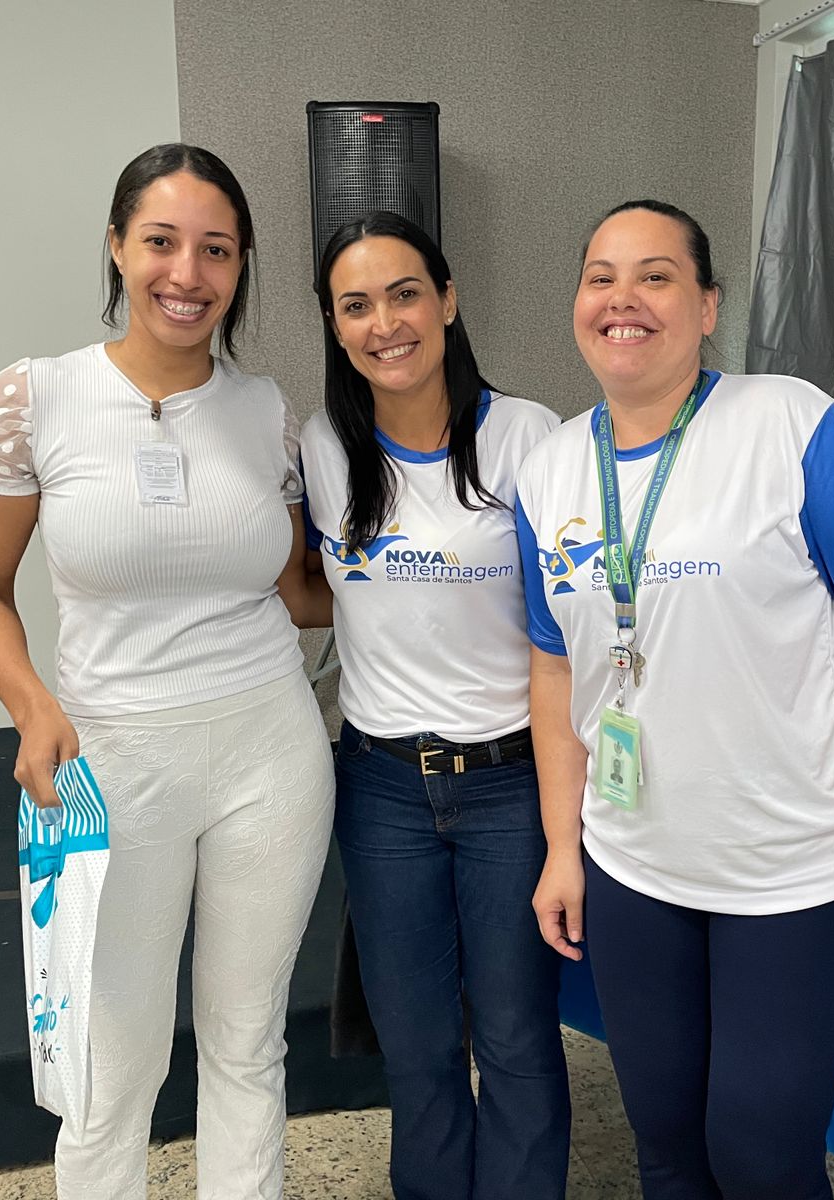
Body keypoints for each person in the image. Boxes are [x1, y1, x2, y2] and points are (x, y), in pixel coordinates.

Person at [517, 200, 834, 1200]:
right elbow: (554, 665)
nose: (622, 298)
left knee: (760, 1159)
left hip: (790, 872)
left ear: (708, 306)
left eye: (656, 276)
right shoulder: (549, 471)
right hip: (633, 866)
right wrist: (564, 848)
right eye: (600, 277)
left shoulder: (790, 424)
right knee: (665, 1147)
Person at [0, 143, 334, 1200]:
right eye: (162, 241)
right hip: (112, 763)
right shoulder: (35, 398)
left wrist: (441, 579)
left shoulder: (266, 412)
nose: (187, 273)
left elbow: (301, 589)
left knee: (248, 1041)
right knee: (111, 1069)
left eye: (217, 250)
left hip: (272, 751)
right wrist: (31, 706)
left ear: (242, 265)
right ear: (118, 246)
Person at [297, 211, 571, 1200]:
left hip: (509, 784)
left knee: (516, 1042)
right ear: (335, 325)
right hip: (380, 790)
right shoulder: (323, 446)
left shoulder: (527, 436)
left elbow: (567, 626)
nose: (385, 324)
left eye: (405, 294)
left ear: (448, 301)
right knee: (415, 1050)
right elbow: (310, 589)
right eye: (356, 305)